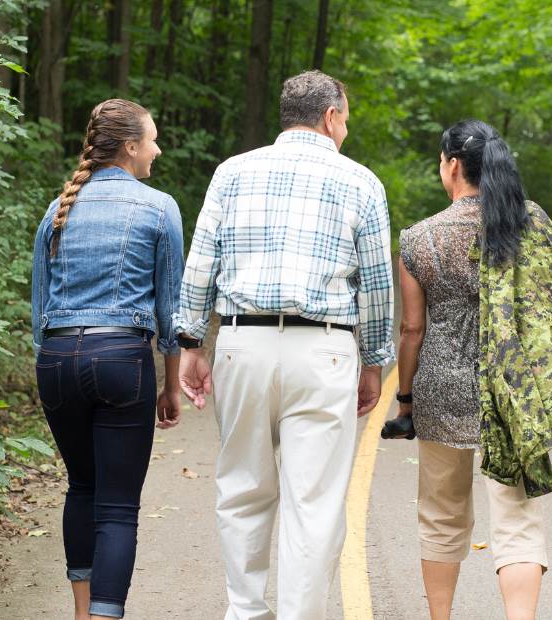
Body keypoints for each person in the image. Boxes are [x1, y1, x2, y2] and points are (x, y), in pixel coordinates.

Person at [173, 70, 394, 620]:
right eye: (345, 119)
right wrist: (374, 361)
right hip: (324, 350)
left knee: (242, 489)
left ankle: (246, 611)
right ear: (330, 117)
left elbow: (201, 263)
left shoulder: (232, 172)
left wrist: (191, 342)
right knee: (313, 503)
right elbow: (376, 282)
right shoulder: (361, 181)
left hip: (242, 342)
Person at [388, 119, 552, 620]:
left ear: (452, 166)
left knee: (441, 515)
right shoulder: (531, 224)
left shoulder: (420, 238)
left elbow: (412, 330)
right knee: (517, 520)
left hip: (442, 390)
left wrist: (405, 402)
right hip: (515, 388)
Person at [30, 99, 184, 620]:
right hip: (121, 358)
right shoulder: (159, 207)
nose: (158, 150)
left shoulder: (58, 208)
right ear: (131, 146)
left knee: (82, 487)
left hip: (56, 361)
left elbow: (40, 308)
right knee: (117, 508)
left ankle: (81, 614)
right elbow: (170, 311)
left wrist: (52, 370)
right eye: (153, 140)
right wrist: (170, 384)